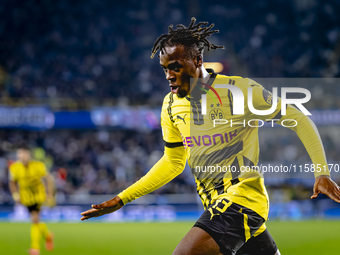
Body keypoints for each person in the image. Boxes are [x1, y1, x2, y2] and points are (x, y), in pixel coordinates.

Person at [80, 18, 340, 255]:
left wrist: (322, 172)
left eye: (176, 66)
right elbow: (173, 162)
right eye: (164, 69)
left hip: (242, 200)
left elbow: (298, 117)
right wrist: (123, 198)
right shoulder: (170, 106)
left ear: (198, 61)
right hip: (217, 206)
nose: (169, 75)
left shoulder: (238, 90)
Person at [9, 146, 55, 255]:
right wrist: (16, 195)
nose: (22, 157)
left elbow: (49, 179)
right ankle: (48, 236)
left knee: (35, 219)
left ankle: (35, 248)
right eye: (19, 155)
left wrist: (49, 195)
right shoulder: (14, 168)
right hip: (26, 197)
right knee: (36, 220)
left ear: (29, 155)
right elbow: (12, 182)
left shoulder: (38, 165)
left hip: (38, 195)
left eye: (24, 155)